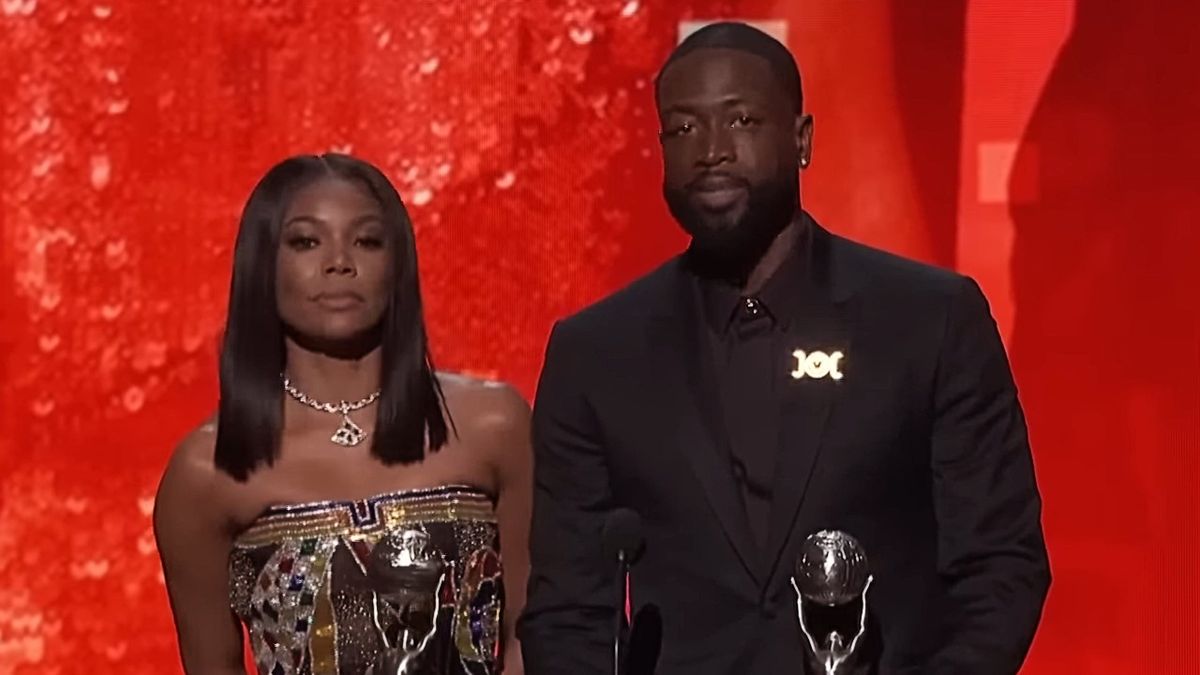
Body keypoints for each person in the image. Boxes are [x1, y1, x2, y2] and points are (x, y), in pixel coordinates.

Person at [518, 22, 1049, 675]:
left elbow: (1001, 565)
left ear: (801, 140)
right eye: (683, 130)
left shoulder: (929, 319)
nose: (710, 150)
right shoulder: (595, 353)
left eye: (740, 120)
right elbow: (567, 611)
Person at [153, 153, 530, 675]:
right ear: (262, 263)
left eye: (367, 241)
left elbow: (535, 632)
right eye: (306, 241)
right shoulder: (208, 470)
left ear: (397, 262)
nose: (339, 262)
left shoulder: (494, 425)